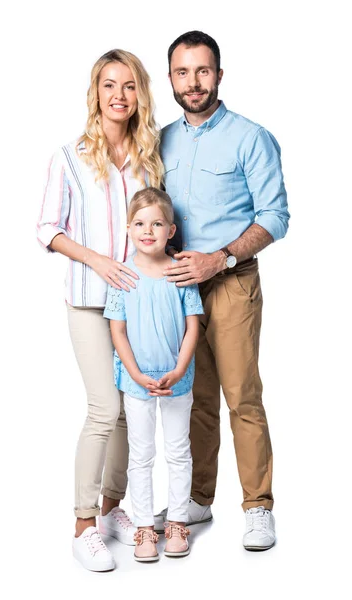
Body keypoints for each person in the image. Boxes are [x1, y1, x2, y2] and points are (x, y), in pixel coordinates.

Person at [154, 31, 290, 551]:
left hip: (231, 283)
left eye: (203, 71)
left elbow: (275, 217)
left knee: (242, 398)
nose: (193, 82)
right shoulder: (160, 139)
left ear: (219, 75)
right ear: (170, 78)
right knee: (196, 400)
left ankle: (258, 507)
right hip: (178, 289)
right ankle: (198, 499)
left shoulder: (250, 137)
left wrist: (222, 257)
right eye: (183, 72)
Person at [37, 49, 164, 572]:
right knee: (102, 409)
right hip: (90, 300)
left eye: (129, 85)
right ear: (95, 92)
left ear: (139, 94)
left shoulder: (150, 158)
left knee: (131, 414)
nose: (119, 95)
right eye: (109, 85)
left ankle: (114, 510)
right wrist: (99, 261)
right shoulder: (68, 157)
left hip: (137, 304)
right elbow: (47, 229)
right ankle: (84, 523)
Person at [104, 187, 204, 561]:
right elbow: (118, 331)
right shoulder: (122, 276)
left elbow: (193, 326)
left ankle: (176, 520)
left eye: (157, 223)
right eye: (141, 223)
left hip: (178, 381)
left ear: (171, 231)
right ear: (129, 228)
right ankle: (145, 525)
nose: (149, 230)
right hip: (137, 382)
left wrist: (179, 369)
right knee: (141, 455)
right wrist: (135, 373)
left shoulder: (180, 271)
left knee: (179, 452)